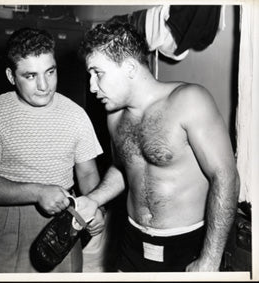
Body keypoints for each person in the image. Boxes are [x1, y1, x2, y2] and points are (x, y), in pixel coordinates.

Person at [76, 21, 240, 272]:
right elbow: (124, 167)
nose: (91, 86)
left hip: (188, 244)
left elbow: (226, 178)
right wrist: (93, 199)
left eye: (98, 73)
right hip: (132, 241)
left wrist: (210, 259)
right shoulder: (115, 117)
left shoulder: (189, 101)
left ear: (129, 67)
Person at [0, 27, 105, 273]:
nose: (44, 85)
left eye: (50, 72)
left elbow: (88, 174)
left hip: (65, 220)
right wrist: (37, 192)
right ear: (11, 76)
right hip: (8, 223)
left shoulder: (75, 114)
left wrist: (96, 206)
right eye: (30, 76)